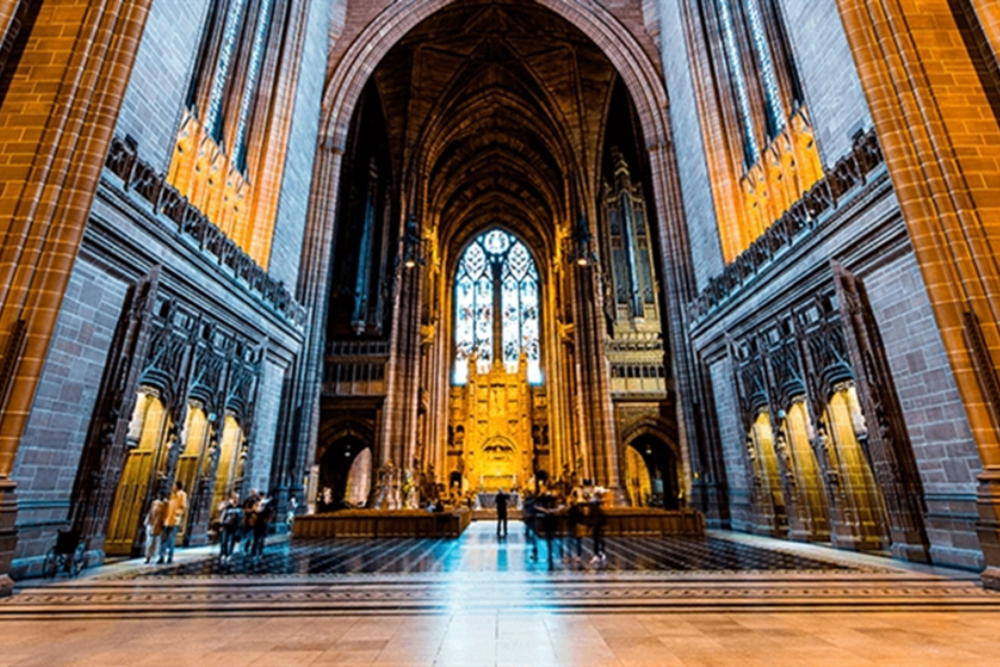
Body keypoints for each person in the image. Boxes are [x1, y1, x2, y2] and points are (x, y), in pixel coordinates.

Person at [158, 480, 187, 564]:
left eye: (174, 485)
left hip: (174, 520)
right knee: (164, 539)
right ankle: (161, 556)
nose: (172, 487)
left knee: (171, 539)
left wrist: (176, 514)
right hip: (167, 520)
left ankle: (170, 557)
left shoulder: (182, 495)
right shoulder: (172, 495)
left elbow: (183, 507)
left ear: (177, 486)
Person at [218, 492, 241, 563]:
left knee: (232, 541)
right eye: (234, 497)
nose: (235, 499)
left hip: (235, 526)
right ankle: (223, 554)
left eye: (237, 498)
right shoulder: (228, 506)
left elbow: (241, 517)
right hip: (226, 525)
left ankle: (229, 554)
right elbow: (221, 514)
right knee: (223, 541)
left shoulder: (239, 506)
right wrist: (221, 525)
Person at [143, 493, 167, 564]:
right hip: (152, 525)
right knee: (150, 542)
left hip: (159, 526)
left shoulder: (165, 504)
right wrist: (149, 522)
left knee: (157, 542)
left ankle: (154, 557)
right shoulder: (154, 503)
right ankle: (148, 556)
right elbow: (150, 513)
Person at [590, 490, 607, 565]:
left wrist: (593, 525)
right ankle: (601, 553)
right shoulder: (600, 510)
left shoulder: (594, 511)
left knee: (597, 542)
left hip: (596, 527)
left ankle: (597, 555)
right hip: (598, 527)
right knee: (599, 541)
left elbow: (594, 519)